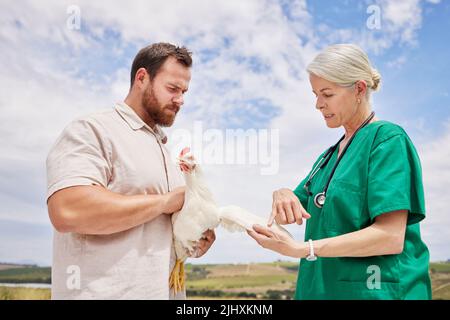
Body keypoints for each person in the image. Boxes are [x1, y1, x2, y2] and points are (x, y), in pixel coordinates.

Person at [247, 44, 431, 300]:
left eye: (327, 94)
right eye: (315, 94)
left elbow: (390, 236)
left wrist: (304, 249)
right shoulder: (327, 158)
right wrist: (281, 193)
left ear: (359, 89)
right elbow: (288, 213)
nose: (318, 104)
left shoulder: (387, 141)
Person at [46, 42, 215, 299]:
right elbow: (67, 210)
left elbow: (150, 234)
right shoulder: (92, 129)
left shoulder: (166, 154)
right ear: (142, 78)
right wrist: (164, 202)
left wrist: (191, 238)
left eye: (184, 91)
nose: (180, 100)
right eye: (172, 88)